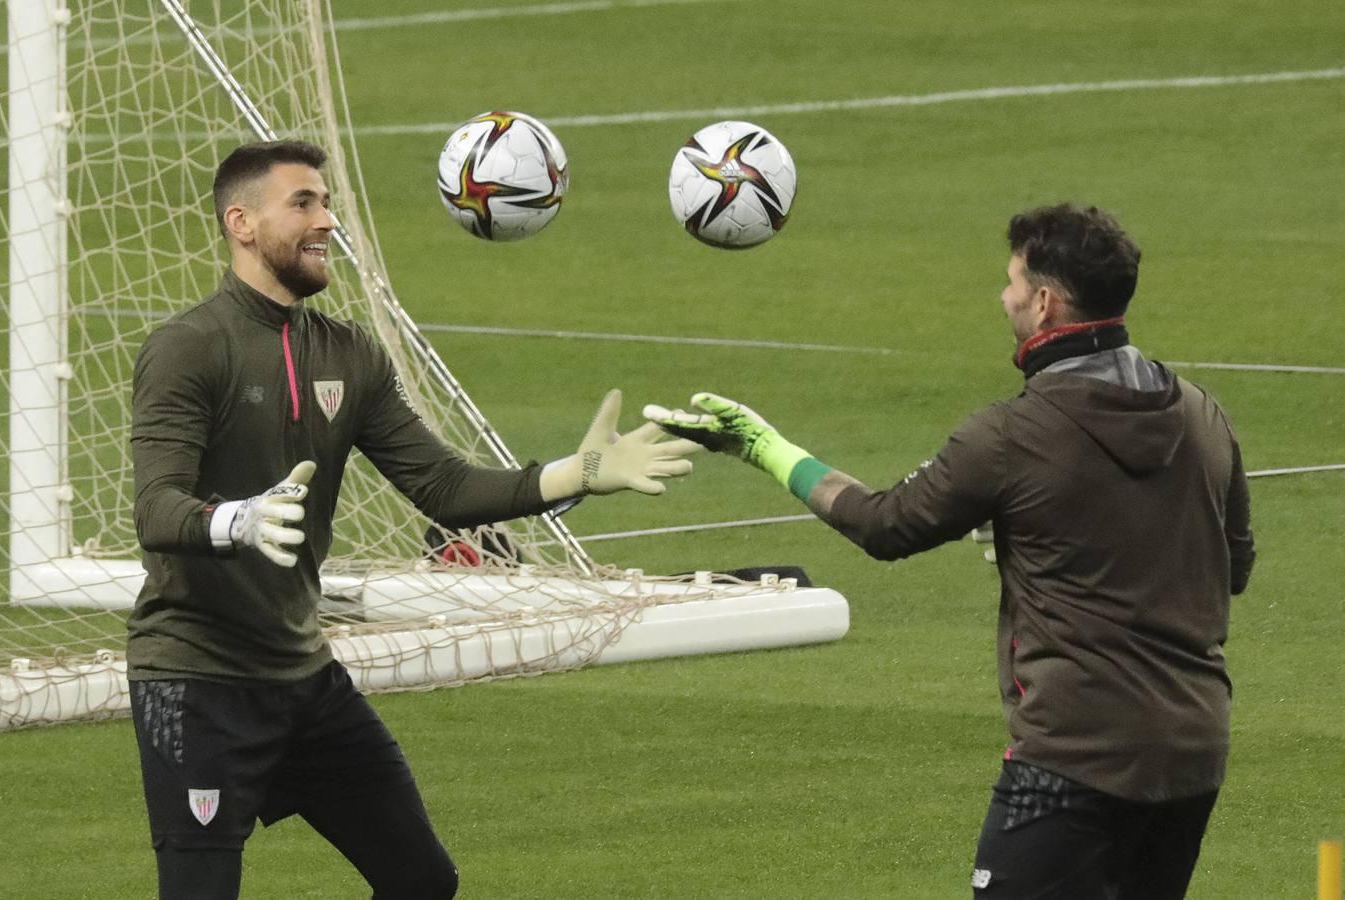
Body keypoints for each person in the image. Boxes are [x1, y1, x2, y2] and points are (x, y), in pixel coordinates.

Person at [128, 139, 699, 900]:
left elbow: (444, 487)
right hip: (197, 684)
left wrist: (576, 474)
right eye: (304, 203)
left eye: (327, 203)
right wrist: (238, 521)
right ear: (241, 222)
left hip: (304, 679)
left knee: (422, 880)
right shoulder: (189, 348)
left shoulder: (348, 353)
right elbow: (156, 508)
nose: (327, 220)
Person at [646, 203, 1256, 899]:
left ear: (1047, 303)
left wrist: (766, 448)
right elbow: (1233, 568)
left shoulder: (1012, 435)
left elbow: (885, 525)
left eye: (1012, 283)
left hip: (1074, 758)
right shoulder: (1205, 415)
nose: (1004, 298)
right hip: (1193, 755)